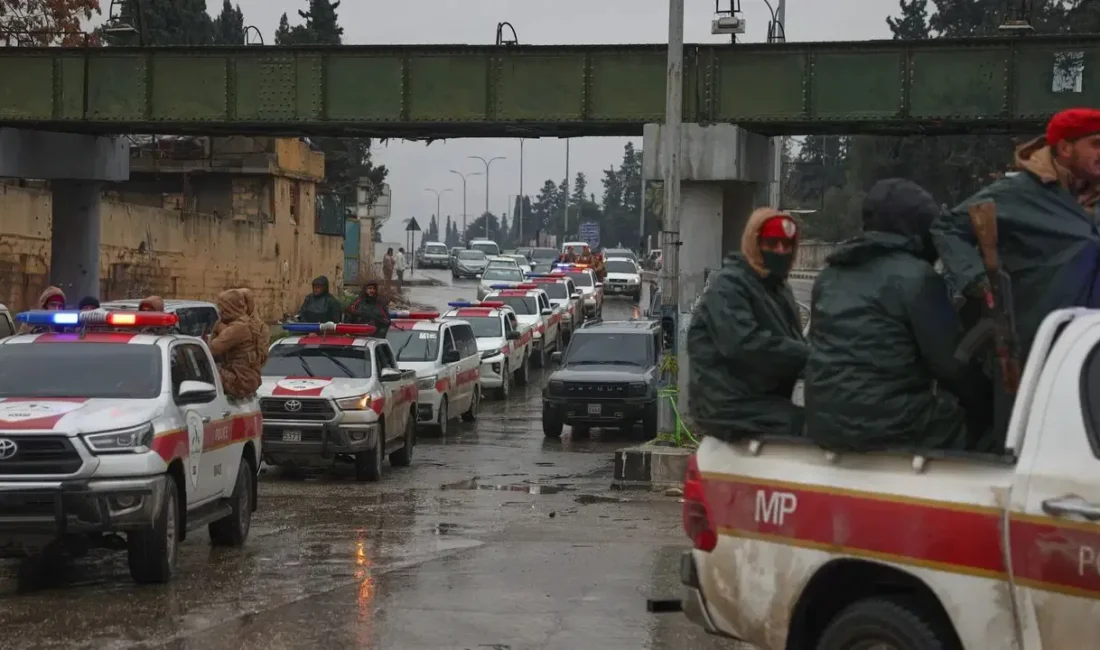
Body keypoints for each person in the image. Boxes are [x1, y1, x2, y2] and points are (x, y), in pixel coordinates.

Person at [932, 107, 1100, 441]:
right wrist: (979, 282)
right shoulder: (1020, 193)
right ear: (1066, 148)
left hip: (1088, 351)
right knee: (1019, 444)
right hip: (1030, 348)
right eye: (1096, 144)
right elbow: (948, 227)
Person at [805, 179, 992, 453]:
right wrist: (990, 400)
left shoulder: (829, 276)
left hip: (823, 422)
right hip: (890, 424)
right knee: (992, 433)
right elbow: (952, 366)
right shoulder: (918, 277)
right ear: (916, 228)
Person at [686, 208, 808, 440]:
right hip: (729, 403)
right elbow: (743, 344)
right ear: (754, 243)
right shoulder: (730, 286)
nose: (781, 251)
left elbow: (794, 346)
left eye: (787, 245)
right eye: (772, 244)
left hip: (762, 399)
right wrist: (808, 356)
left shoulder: (778, 290)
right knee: (813, 430)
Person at [207, 289, 263, 400]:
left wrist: (216, 328)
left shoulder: (237, 328)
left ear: (227, 307)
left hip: (238, 381)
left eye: (221, 307)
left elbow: (210, 350)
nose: (219, 312)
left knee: (201, 372)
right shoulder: (250, 323)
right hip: (249, 379)